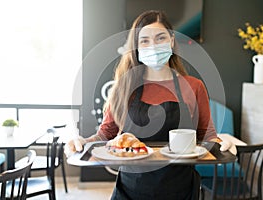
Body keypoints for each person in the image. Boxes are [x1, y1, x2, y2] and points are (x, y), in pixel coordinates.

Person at [65, 10, 233, 200]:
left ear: (171, 41)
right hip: (130, 190)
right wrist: (82, 143)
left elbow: (207, 135)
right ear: (136, 47)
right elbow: (106, 134)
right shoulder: (124, 87)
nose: (153, 46)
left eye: (160, 38)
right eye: (144, 40)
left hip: (180, 190)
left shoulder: (194, 86)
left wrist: (222, 146)